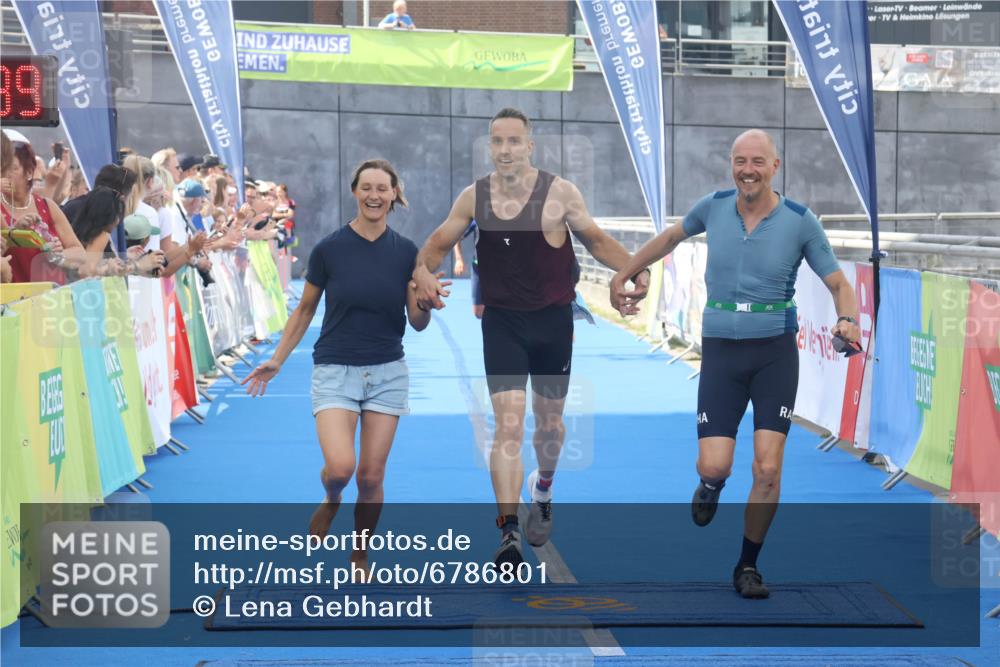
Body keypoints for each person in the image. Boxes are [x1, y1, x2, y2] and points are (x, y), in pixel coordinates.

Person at [609, 129, 862, 599]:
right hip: (722, 352)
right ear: (732, 165)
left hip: (774, 354)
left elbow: (838, 284)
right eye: (740, 161)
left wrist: (847, 320)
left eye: (758, 162)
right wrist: (624, 272)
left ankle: (748, 565)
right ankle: (710, 484)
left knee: (768, 469)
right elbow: (670, 237)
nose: (748, 170)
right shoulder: (713, 206)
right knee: (716, 464)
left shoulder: (800, 221)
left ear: (775, 167)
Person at [411, 108, 648, 566]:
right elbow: (436, 244)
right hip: (503, 324)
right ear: (490, 146)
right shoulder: (474, 197)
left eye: (514, 141)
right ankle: (508, 532)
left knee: (550, 427)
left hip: (552, 324)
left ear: (529, 146)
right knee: (508, 425)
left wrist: (637, 270)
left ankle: (543, 489)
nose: (505, 150)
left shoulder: (560, 193)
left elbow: (597, 241)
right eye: (497, 141)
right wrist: (422, 270)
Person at [242, 159, 440, 576]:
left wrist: (425, 303)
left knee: (370, 477)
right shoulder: (329, 249)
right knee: (341, 469)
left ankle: (360, 552)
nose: (374, 195)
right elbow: (304, 309)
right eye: (366, 187)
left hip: (387, 372)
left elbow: (417, 323)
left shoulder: (407, 252)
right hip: (335, 369)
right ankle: (332, 497)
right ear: (354, 192)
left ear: (394, 195)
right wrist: (277, 359)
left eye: (382, 188)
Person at [0, 130, 86, 283]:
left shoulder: (47, 206)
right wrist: (16, 232)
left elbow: (79, 252)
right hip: (15, 293)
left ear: (29, 172)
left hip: (51, 293)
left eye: (13, 168)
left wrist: (58, 255)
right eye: (2, 168)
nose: (5, 174)